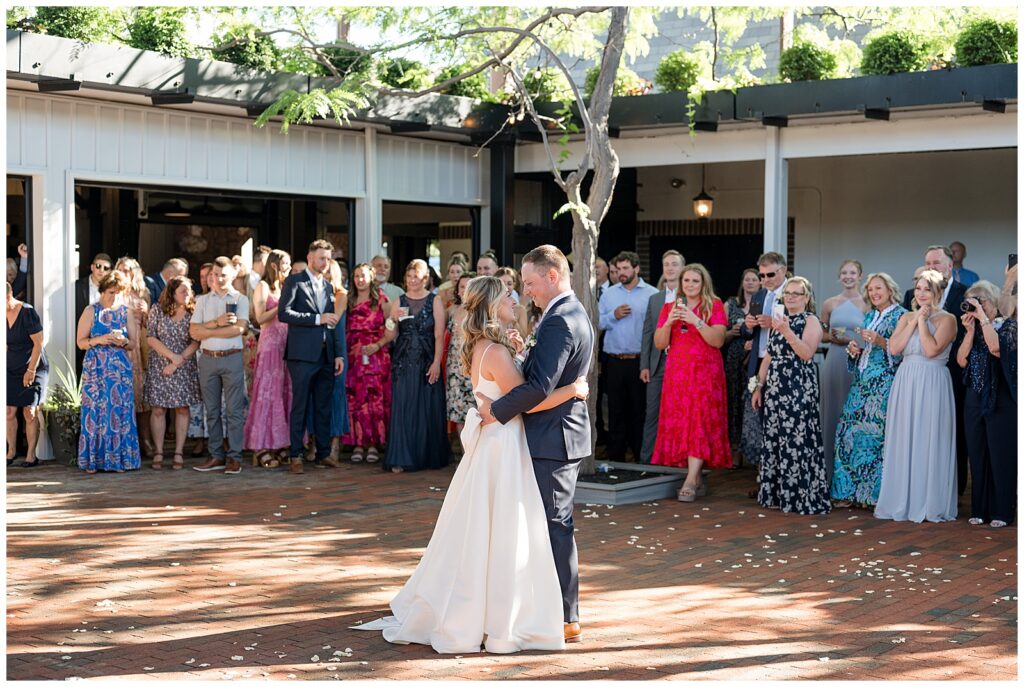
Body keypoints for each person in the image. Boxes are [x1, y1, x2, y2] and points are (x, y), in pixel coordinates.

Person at [357, 276, 588, 654]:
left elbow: (505, 390)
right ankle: (496, 614)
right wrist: (572, 390)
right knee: (501, 529)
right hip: (503, 446)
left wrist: (516, 354)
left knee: (487, 527)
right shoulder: (494, 351)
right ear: (492, 305)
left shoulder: (487, 346)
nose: (515, 300)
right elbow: (527, 401)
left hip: (496, 442)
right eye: (508, 296)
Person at [476, 245, 594, 644]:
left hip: (554, 438)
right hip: (555, 433)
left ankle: (566, 616)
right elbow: (551, 375)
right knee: (547, 524)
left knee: (556, 525)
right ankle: (548, 608)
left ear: (552, 277)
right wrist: (525, 352)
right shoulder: (566, 314)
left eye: (529, 283)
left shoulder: (560, 319)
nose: (526, 291)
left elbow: (541, 386)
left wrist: (495, 411)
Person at [875, 270, 958, 523]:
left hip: (932, 381)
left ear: (938, 293)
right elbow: (895, 348)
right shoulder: (906, 316)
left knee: (928, 436)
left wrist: (923, 322)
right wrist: (913, 320)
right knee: (904, 437)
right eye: (919, 289)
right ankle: (903, 499)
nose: (921, 294)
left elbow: (932, 349)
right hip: (906, 379)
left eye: (927, 290)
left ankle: (928, 501)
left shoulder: (948, 319)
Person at [751, 276, 830, 515]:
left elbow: (806, 353)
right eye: (788, 293)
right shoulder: (779, 319)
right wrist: (758, 386)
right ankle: (776, 494)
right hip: (775, 386)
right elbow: (768, 357)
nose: (792, 297)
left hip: (798, 385)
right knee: (775, 437)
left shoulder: (811, 320)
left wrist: (786, 331)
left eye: (797, 293)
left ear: (806, 298)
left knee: (796, 438)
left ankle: (799, 496)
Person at [652, 263, 730, 499]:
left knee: (699, 421)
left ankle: (690, 480)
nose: (690, 285)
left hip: (705, 373)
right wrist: (668, 323)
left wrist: (695, 320)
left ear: (703, 283)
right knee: (684, 421)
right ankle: (695, 476)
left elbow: (718, 340)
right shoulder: (669, 307)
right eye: (686, 281)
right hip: (678, 374)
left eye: (695, 281)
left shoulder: (714, 305)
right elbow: (659, 343)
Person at [831, 273, 907, 507]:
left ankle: (872, 496)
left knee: (874, 438)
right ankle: (847, 492)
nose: (874, 293)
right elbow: (866, 347)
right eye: (871, 289)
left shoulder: (901, 315)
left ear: (890, 289)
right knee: (847, 433)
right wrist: (855, 351)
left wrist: (881, 340)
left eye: (878, 288)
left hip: (883, 383)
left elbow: (902, 351)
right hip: (862, 382)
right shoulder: (871, 314)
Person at [900, 245, 969, 497]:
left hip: (950, 371)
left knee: (950, 434)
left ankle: (953, 488)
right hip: (914, 375)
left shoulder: (963, 294)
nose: (931, 267)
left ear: (949, 266)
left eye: (937, 263)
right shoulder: (911, 295)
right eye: (927, 263)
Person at [278, 241, 345, 474]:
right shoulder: (294, 281)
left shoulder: (328, 287)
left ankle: (323, 454)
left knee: (323, 406)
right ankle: (295, 454)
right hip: (302, 356)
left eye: (328, 259)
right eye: (322, 258)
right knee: (300, 405)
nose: (326, 263)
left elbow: (333, 323)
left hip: (326, 355)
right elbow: (283, 313)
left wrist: (338, 354)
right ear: (310, 258)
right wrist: (317, 319)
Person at [957, 280, 1016, 527]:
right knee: (978, 452)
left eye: (981, 301)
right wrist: (970, 332)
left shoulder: (1008, 326)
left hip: (1000, 397)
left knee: (1000, 453)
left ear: (994, 303)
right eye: (974, 302)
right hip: (974, 397)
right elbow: (961, 360)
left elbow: (996, 348)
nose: (977, 307)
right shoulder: (975, 328)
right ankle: (979, 509)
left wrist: (983, 320)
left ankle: (1002, 511)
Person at [383, 259, 451, 473]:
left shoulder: (435, 301)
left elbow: (439, 335)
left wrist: (436, 363)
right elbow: (391, 333)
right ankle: (401, 457)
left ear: (425, 278)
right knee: (404, 408)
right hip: (403, 361)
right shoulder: (399, 301)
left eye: (417, 276)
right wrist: (391, 321)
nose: (413, 280)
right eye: (409, 276)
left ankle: (425, 456)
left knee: (426, 408)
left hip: (426, 359)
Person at [189, 257, 250, 476]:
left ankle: (234, 457)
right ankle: (216, 455)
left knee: (234, 411)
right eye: (215, 274)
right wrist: (217, 323)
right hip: (207, 358)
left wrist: (207, 330)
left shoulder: (241, 299)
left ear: (232, 275)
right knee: (211, 411)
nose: (219, 278)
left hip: (232, 357)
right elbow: (193, 332)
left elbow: (239, 330)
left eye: (223, 274)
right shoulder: (203, 301)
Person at [76, 270, 141, 473]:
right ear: (103, 291)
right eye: (111, 292)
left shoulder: (126, 312)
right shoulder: (91, 311)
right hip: (96, 370)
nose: (114, 297)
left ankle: (119, 460)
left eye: (118, 293)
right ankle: (93, 461)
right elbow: (80, 342)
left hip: (120, 371)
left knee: (119, 411)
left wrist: (124, 342)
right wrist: (99, 340)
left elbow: (134, 344)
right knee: (94, 411)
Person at [597, 251, 657, 462]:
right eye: (619, 269)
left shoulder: (652, 294)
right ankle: (616, 458)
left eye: (625, 269)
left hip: (640, 361)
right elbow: (597, 323)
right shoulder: (609, 294)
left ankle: (641, 457)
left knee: (639, 410)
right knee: (615, 411)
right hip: (614, 360)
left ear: (636, 269)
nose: (621, 273)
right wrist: (613, 316)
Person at [739, 252, 789, 496]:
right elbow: (745, 334)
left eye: (771, 274)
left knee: (779, 420)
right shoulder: (758, 295)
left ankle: (782, 479)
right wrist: (747, 326)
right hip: (756, 364)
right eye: (762, 275)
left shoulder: (794, 292)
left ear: (784, 270)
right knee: (757, 418)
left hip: (782, 365)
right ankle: (764, 479)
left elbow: (805, 324)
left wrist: (777, 323)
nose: (766, 279)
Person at [818, 259, 869, 485]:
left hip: (858, 360)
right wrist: (834, 337)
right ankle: (829, 475)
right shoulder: (830, 303)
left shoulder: (867, 303)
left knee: (855, 414)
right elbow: (820, 334)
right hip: (835, 359)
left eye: (853, 273)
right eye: (844, 272)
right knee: (832, 413)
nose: (848, 276)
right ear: (839, 276)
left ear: (860, 276)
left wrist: (853, 340)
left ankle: (853, 478)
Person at [143, 276, 201, 471]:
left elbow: (196, 341)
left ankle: (178, 452)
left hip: (184, 364)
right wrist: (171, 357)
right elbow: (151, 337)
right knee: (158, 409)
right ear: (172, 292)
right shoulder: (157, 310)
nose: (187, 294)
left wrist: (178, 362)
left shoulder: (194, 311)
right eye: (183, 291)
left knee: (182, 408)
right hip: (161, 363)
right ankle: (159, 451)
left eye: (189, 291)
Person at [243, 249, 292, 468]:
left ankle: (280, 443)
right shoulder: (263, 287)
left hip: (287, 345)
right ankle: (261, 446)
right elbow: (260, 318)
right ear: (274, 265)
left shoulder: (286, 286)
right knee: (268, 394)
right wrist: (282, 305)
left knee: (283, 394)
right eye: (285, 263)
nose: (288, 267)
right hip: (270, 345)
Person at [343, 263, 392, 464]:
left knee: (374, 399)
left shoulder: (381, 299)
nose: (359, 280)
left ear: (371, 277)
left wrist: (378, 345)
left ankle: (373, 444)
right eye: (356, 276)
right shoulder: (348, 299)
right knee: (355, 399)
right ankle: (357, 443)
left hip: (376, 355)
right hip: (354, 356)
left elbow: (392, 329)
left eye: (363, 275)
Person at [639, 249, 684, 465]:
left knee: (680, 413)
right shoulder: (655, 299)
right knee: (652, 413)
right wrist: (644, 365)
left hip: (684, 364)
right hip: (657, 364)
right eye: (666, 264)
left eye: (674, 264)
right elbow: (647, 332)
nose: (670, 268)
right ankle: (648, 461)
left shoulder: (690, 296)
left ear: (682, 268)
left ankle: (676, 460)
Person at [116, 256, 156, 458]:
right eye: (122, 269)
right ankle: (125, 441)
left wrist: (147, 312)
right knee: (123, 395)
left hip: (140, 349)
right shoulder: (114, 293)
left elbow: (152, 327)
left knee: (142, 396)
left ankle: (145, 440)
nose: (125, 273)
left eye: (129, 270)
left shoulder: (142, 293)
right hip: (121, 347)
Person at [6, 281, 48, 467]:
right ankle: (11, 452)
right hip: (10, 366)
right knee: (8, 411)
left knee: (30, 411)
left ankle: (31, 455)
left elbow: (39, 343)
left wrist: (30, 371)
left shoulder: (27, 312)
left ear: (7, 296)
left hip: (34, 365)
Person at [723, 268, 760, 466]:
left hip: (754, 359)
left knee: (751, 402)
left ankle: (752, 450)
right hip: (734, 357)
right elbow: (720, 336)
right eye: (747, 279)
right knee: (734, 401)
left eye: (754, 279)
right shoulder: (731, 304)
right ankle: (734, 449)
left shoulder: (763, 305)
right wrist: (732, 332)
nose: (751, 283)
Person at [446, 272, 476, 445]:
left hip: (473, 366)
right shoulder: (452, 310)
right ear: (457, 290)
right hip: (454, 368)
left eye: (469, 286)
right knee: (457, 413)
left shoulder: (481, 310)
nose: (465, 290)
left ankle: (475, 458)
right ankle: (465, 457)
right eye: (462, 286)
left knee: (475, 413)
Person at [74, 252, 114, 372]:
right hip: (81, 337)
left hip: (104, 340)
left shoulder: (112, 290)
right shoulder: (77, 286)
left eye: (105, 268)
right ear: (92, 267)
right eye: (98, 266)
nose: (101, 270)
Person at [494, 266, 529, 333]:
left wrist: (513, 321)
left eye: (509, 284)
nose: (506, 287)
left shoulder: (520, 310)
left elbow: (524, 340)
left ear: (514, 285)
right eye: (502, 283)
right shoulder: (490, 307)